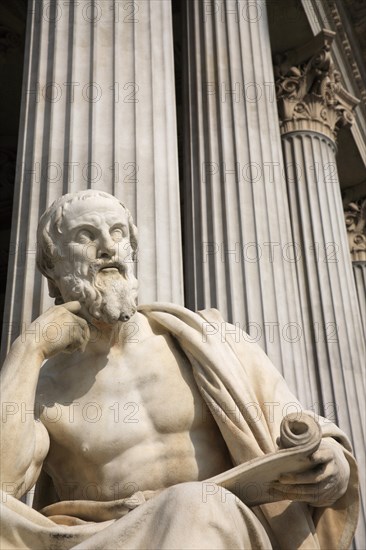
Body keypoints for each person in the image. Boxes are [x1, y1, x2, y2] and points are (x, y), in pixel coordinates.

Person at [0, 190, 359, 549]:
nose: (108, 247)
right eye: (85, 236)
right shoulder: (43, 388)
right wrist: (28, 350)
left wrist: (330, 467)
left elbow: (304, 432)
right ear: (52, 267)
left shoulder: (210, 342)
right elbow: (4, 488)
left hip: (222, 524)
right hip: (106, 539)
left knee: (193, 504)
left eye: (118, 233)